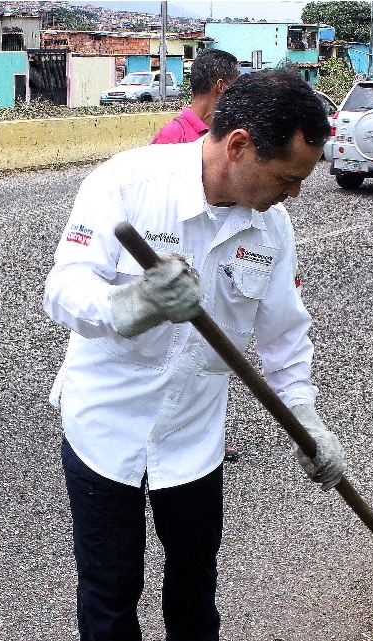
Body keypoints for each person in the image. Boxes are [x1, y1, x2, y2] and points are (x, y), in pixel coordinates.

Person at [43, 69, 339, 641]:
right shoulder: (130, 181)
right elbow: (63, 287)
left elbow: (283, 334)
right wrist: (126, 305)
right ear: (238, 146)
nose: (294, 191)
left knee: (195, 560)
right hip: (107, 427)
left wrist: (307, 417)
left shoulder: (271, 227)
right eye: (287, 175)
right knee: (112, 583)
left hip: (194, 430)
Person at [151, 48, 244, 464]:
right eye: (236, 84)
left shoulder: (229, 139)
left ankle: (207, 436)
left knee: (208, 354)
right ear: (221, 86)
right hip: (176, 267)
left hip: (214, 266)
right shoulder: (172, 138)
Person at [152, 48, 239, 145]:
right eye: (235, 86)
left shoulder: (227, 133)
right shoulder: (171, 137)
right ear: (220, 86)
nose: (238, 94)